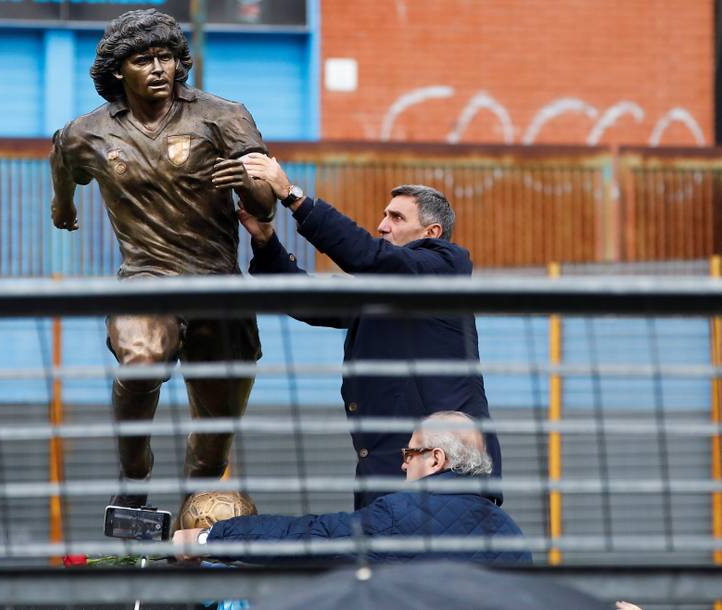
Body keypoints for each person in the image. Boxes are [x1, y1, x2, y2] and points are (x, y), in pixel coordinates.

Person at [49, 8, 276, 511]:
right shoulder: (87, 133)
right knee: (141, 362)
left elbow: (265, 204)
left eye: (167, 58)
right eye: (144, 60)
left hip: (218, 284)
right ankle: (134, 475)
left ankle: (191, 530)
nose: (159, 69)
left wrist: (250, 184)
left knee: (212, 446)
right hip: (146, 278)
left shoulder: (223, 116)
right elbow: (61, 157)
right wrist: (61, 205)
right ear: (117, 71)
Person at [234, 153, 501, 508]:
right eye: (383, 215)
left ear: (431, 233)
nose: (382, 225)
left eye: (396, 217)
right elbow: (308, 301)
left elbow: (368, 256)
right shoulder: (384, 287)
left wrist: (292, 195)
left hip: (449, 473)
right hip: (391, 476)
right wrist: (266, 241)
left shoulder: (445, 264)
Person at [172, 412, 529, 565]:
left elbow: (308, 537)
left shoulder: (401, 516)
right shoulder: (511, 533)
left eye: (410, 452)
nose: (403, 462)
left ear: (436, 459)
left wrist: (207, 539)